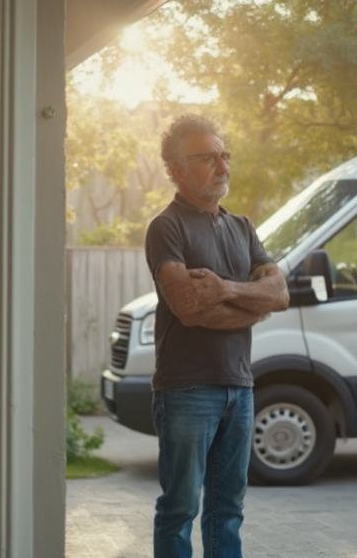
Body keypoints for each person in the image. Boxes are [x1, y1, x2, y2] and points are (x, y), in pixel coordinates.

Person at [145, 114, 289, 558]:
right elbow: (188, 308)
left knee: (228, 508)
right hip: (186, 388)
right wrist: (252, 305)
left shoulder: (242, 226)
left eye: (224, 154)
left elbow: (280, 295)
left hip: (239, 386)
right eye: (208, 157)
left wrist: (226, 289)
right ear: (176, 169)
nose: (222, 165)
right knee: (180, 507)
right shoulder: (166, 228)